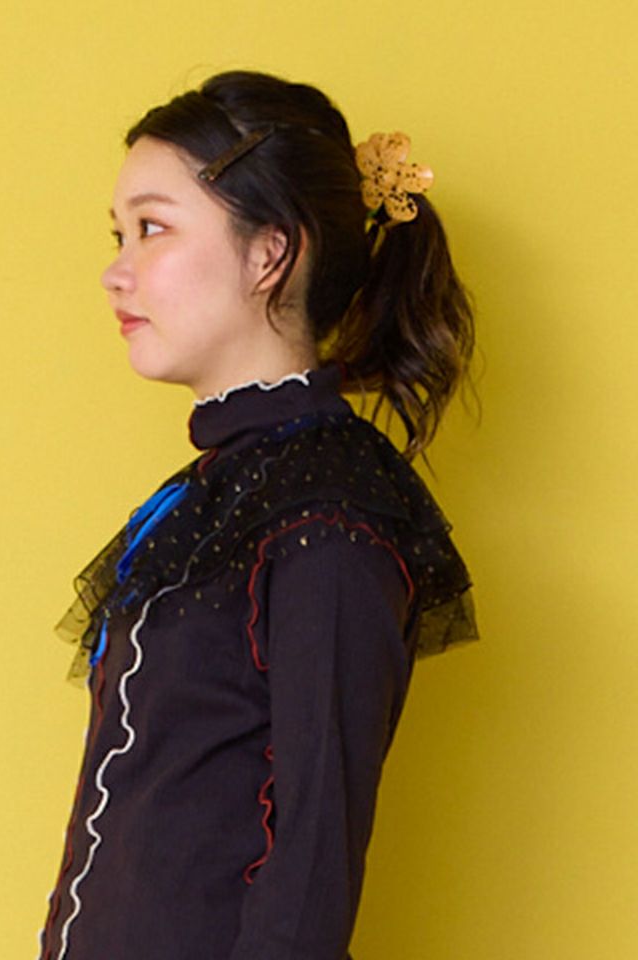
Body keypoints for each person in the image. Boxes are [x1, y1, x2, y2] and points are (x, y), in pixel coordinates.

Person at [37, 70, 479, 960]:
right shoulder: (219, 491)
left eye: (153, 228)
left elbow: (312, 870)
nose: (116, 272)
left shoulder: (330, 511)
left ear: (270, 252)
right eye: (119, 234)